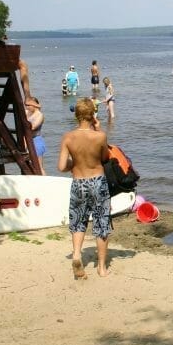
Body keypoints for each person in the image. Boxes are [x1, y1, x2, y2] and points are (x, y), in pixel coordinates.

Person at [58, 98, 111, 279]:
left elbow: (61, 166)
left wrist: (73, 166)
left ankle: (76, 254)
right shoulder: (100, 137)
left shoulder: (68, 137)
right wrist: (98, 128)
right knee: (101, 222)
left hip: (78, 182)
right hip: (98, 181)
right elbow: (105, 157)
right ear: (93, 115)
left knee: (78, 220)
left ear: (76, 115)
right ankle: (101, 268)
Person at [25, 97, 46, 175]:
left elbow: (33, 127)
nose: (27, 107)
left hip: (36, 141)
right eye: (26, 105)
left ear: (34, 105)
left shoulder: (40, 115)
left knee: (39, 166)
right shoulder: (28, 112)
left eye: (29, 105)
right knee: (30, 165)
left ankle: (45, 183)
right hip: (28, 141)